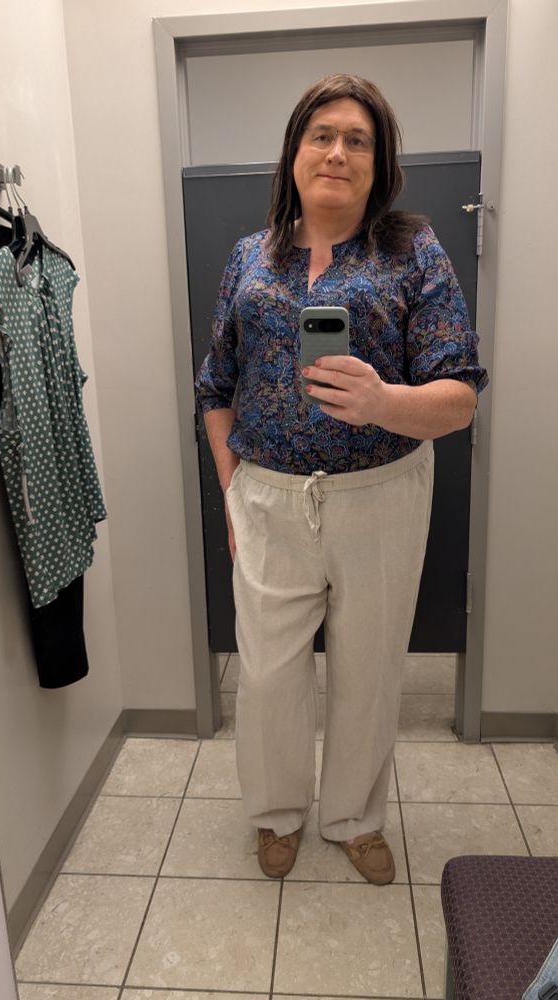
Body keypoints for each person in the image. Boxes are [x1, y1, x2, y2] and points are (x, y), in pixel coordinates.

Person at [195, 74, 488, 884]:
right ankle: (275, 813)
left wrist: (382, 399)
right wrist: (230, 488)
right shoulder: (248, 259)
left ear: (378, 161)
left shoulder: (411, 250)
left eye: (357, 139)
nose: (336, 152)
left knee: (368, 668)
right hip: (265, 496)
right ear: (293, 153)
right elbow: (215, 385)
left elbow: (459, 396)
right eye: (320, 135)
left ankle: (354, 818)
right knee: (267, 673)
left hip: (381, 495)